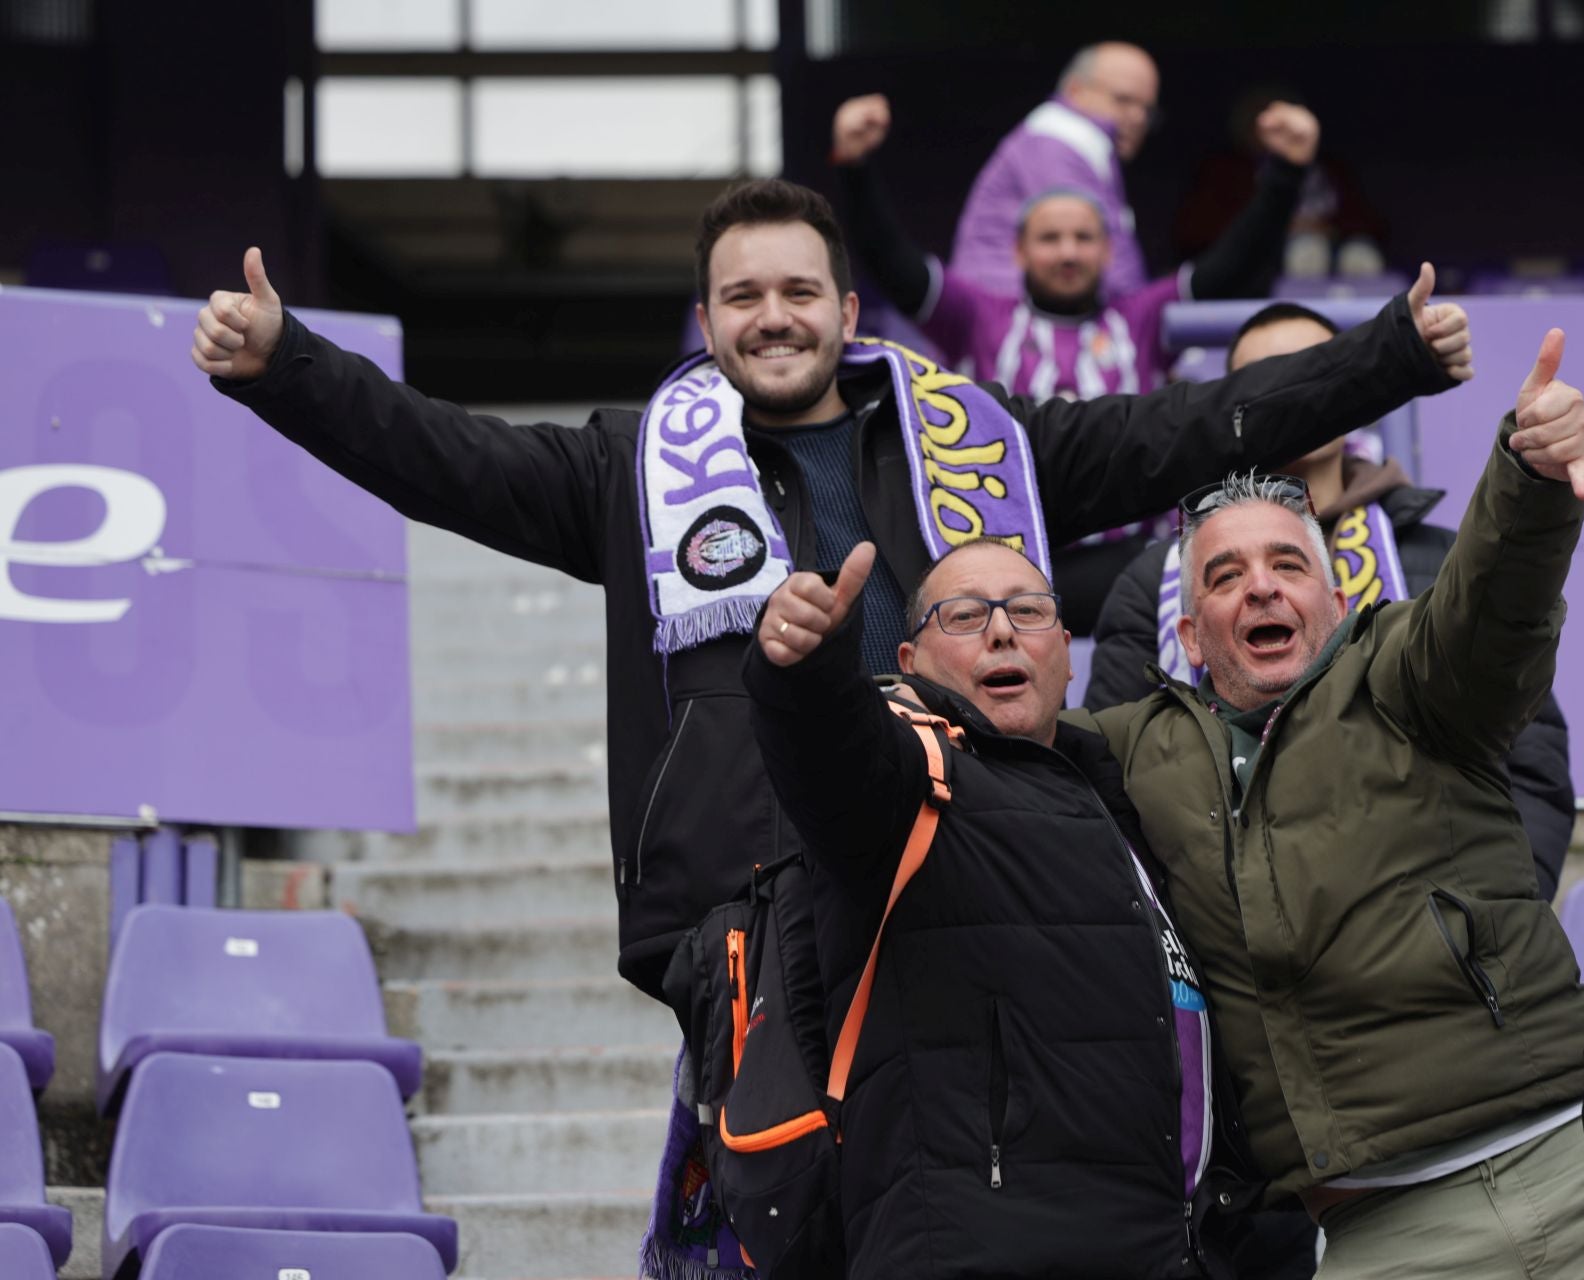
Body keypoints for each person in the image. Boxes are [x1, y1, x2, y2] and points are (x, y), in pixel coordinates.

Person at [187, 177, 1471, 1004]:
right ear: (708, 317)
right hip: (744, 914)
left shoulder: (983, 439)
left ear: (846, 306)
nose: (775, 315)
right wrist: (286, 365)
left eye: (799, 290)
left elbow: (1183, 429)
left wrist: (1386, 360)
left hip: (969, 868)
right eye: (744, 295)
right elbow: (444, 457)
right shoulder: (629, 471)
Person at [1074, 330, 1584, 1280]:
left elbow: (1491, 602)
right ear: (1188, 632)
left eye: (1288, 566)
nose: (1260, 585)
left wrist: (1528, 477)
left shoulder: (1404, 672)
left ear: (1335, 601)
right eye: (1225, 576)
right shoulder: (1134, 747)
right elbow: (998, 737)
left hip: (1579, 1160)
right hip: (1381, 1230)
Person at [745, 537, 1216, 1278]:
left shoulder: (1120, 805)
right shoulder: (905, 784)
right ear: (909, 663)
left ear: (1065, 653)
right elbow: (828, 744)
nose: (1001, 631)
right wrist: (803, 668)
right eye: (962, 616)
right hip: (967, 1249)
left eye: (1027, 612)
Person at [1086, 301, 1577, 899]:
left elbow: (1529, 761)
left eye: (1321, 369)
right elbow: (1110, 783)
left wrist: (1491, 926)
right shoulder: (1151, 582)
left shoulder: (1442, 563)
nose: (1298, 392)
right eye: (1268, 380)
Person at [832, 91, 1320, 398]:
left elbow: (1232, 264)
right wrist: (854, 167)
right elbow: (890, 261)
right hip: (1010, 547)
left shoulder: (1142, 318)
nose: (1068, 252)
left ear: (1108, 250)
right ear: (1018, 251)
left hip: (1131, 551)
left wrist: (1286, 174)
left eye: (1083, 238)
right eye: (1050, 238)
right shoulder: (978, 317)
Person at [952, 42, 1159, 295]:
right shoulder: (1058, 140)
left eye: (1147, 109)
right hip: (1006, 315)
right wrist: (1140, 321)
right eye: (1123, 100)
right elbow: (1112, 271)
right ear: (1074, 90)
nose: (1137, 118)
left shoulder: (1076, 142)